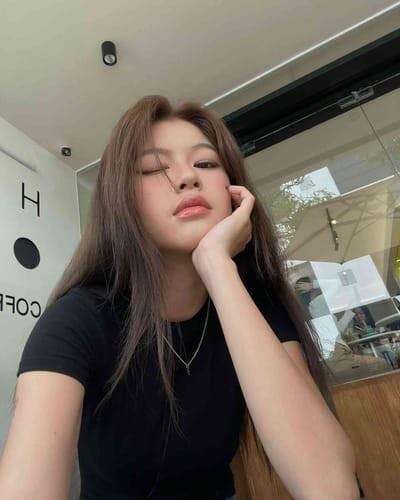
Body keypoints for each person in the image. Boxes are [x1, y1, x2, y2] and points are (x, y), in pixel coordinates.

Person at [0, 96, 359, 500]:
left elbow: (330, 488)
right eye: (154, 168)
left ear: (234, 191)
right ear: (122, 203)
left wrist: (216, 266)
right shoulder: (79, 319)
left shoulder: (255, 306)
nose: (187, 177)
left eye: (205, 163)